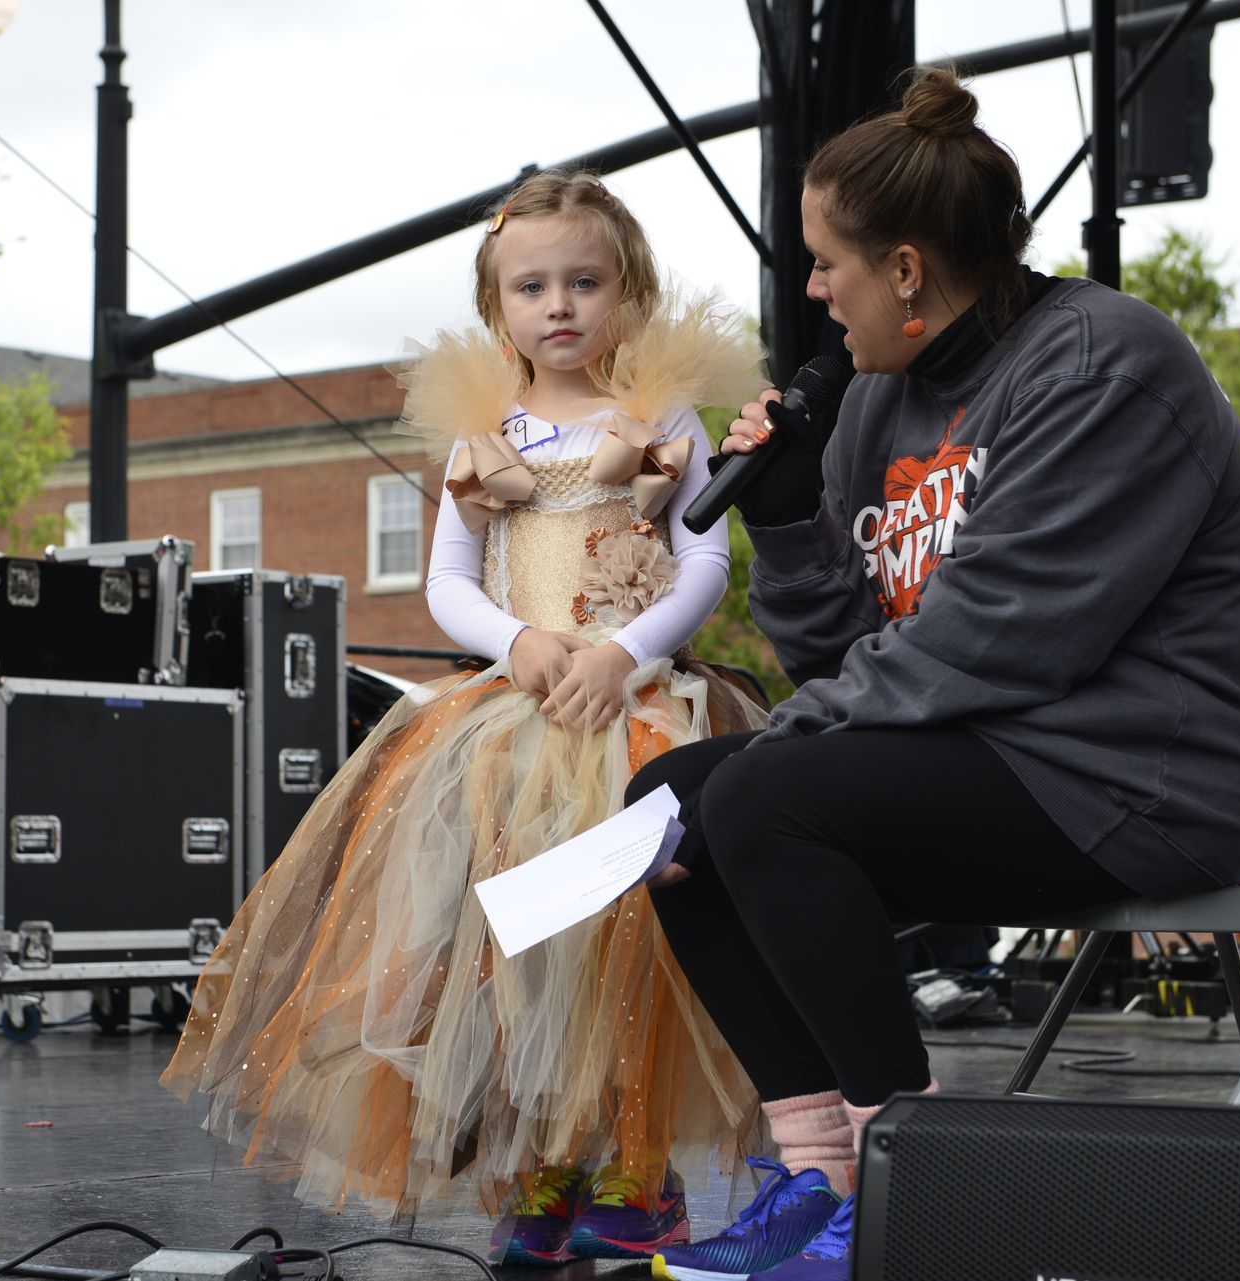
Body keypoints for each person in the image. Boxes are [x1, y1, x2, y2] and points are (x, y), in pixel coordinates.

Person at [633, 66, 1240, 1281]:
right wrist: (781, 518)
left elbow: (991, 641)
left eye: (829, 262)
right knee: (667, 810)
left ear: (907, 271)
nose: (815, 291)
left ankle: (911, 1183)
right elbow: (847, 663)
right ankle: (823, 1175)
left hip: (1142, 777)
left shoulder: (1101, 368)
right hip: (985, 750)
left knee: (762, 797)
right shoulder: (880, 402)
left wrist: (787, 746)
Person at [161, 168, 771, 1265]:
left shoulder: (662, 418)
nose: (561, 305)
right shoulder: (484, 435)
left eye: (586, 281)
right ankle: (536, 1167)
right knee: (518, 944)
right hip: (521, 715)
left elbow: (706, 558)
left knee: (635, 938)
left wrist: (629, 652)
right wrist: (519, 642)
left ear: (626, 289)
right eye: (533, 287)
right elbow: (451, 582)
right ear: (500, 310)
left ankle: (639, 1169)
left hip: (638, 708)